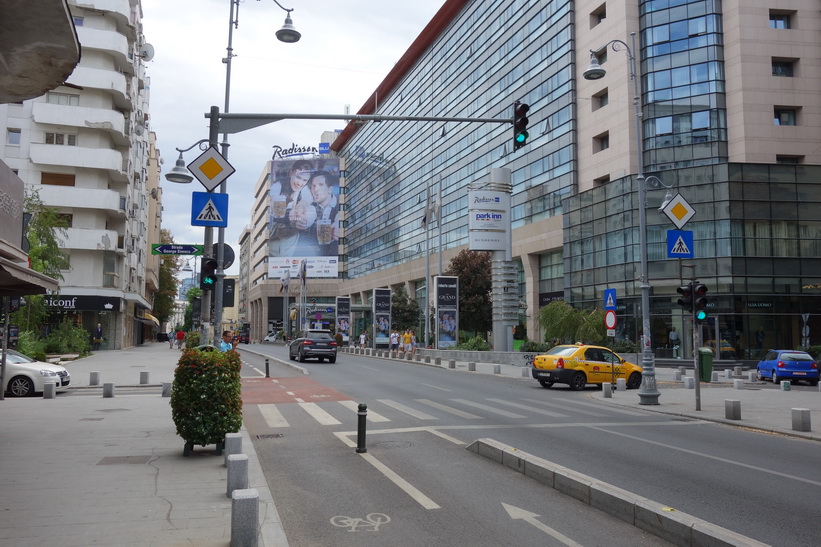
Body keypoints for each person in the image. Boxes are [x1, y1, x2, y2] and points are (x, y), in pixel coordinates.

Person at [269, 159, 315, 258]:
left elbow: (308, 204)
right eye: (298, 177)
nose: (300, 183)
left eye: (304, 180)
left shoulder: (305, 190)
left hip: (292, 236)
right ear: (291, 173)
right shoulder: (277, 186)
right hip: (274, 233)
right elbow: (272, 210)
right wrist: (290, 214)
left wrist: (303, 219)